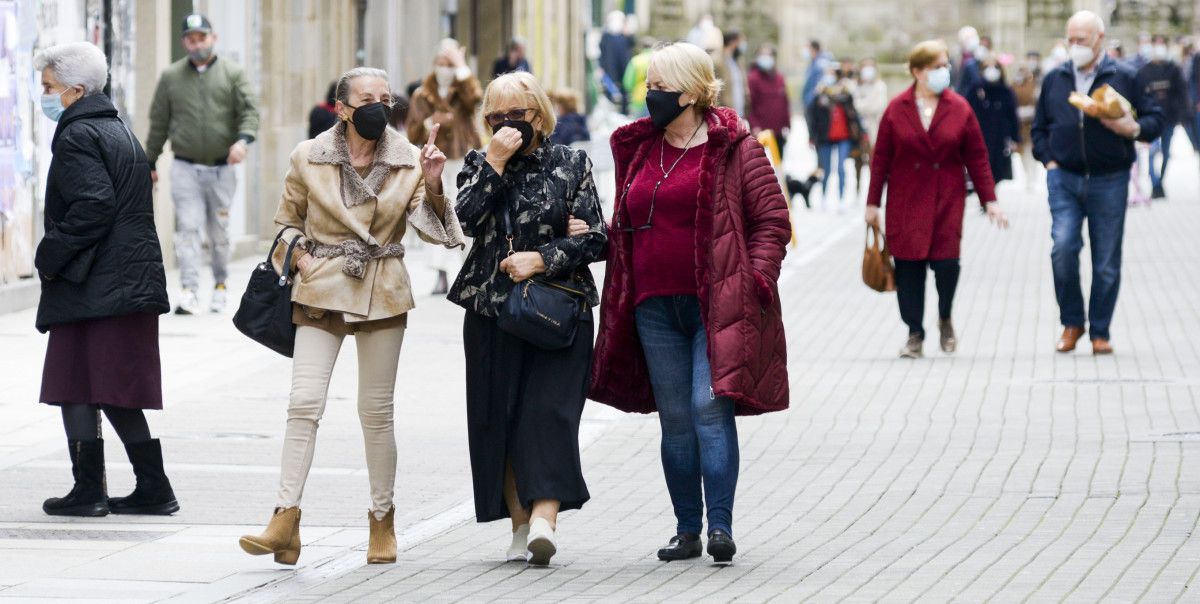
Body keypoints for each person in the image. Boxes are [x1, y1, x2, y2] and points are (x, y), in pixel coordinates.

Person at [238, 67, 465, 566]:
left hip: (381, 287)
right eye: (367, 99)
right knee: (303, 403)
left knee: (375, 413)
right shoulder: (308, 155)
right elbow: (284, 223)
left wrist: (432, 185)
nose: (378, 108)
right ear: (341, 108)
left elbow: (439, 234)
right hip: (321, 288)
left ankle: (381, 520)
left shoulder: (407, 159)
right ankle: (285, 518)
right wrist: (300, 258)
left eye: (386, 99)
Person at [590, 41, 792, 564]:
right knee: (676, 417)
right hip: (652, 305)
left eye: (660, 87)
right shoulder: (637, 147)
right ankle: (687, 530)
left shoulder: (735, 146)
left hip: (716, 303)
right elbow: (626, 221)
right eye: (649, 86)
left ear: (692, 91)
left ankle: (720, 527)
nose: (650, 96)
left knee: (708, 405)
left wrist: (756, 280)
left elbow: (772, 220)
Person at [450, 71, 607, 566]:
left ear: (538, 115)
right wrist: (493, 161)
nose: (505, 125)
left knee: (550, 415)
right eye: (495, 117)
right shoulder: (479, 164)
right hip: (492, 309)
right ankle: (520, 524)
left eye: (515, 115)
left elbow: (597, 237)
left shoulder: (571, 162)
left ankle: (545, 518)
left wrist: (541, 257)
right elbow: (469, 220)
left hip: (559, 309)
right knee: (501, 419)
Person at [33, 42, 177, 518]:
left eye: (50, 87)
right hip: (125, 282)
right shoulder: (117, 129)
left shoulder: (77, 136)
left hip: (94, 284)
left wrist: (50, 255)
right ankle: (153, 487)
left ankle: (88, 489)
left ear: (76, 90)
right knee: (114, 388)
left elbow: (93, 205)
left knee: (74, 383)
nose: (45, 95)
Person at [866, 39, 1009, 359]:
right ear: (917, 71)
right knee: (908, 269)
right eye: (937, 67)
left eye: (946, 65)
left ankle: (945, 316)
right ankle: (914, 332)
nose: (945, 71)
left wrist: (991, 200)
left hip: (947, 199)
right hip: (906, 201)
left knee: (947, 265)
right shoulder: (896, 109)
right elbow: (881, 160)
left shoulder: (959, 107)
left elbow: (977, 157)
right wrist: (872, 204)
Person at [1031, 11, 1163, 355]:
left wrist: (1131, 129)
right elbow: (1039, 127)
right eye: (1070, 39)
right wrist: (1049, 159)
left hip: (1110, 178)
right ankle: (1072, 322)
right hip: (1065, 177)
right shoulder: (1055, 78)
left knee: (1106, 259)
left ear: (1099, 39)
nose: (1074, 46)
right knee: (1063, 247)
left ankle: (1100, 330)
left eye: (1082, 40)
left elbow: (1154, 120)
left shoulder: (1125, 76)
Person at [146, 14, 260, 316]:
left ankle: (220, 286)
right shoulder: (171, 77)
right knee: (188, 229)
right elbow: (159, 122)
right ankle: (189, 290)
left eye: (202, 38)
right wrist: (150, 161)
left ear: (213, 37)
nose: (197, 45)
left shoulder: (232, 73)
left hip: (222, 168)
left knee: (219, 233)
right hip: (185, 168)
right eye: (191, 39)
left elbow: (250, 111)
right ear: (184, 41)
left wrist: (242, 141)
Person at [406, 39, 484, 295]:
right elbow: (412, 129)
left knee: (465, 211)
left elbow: (476, 97)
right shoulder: (422, 93)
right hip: (434, 162)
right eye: (441, 63)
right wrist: (431, 122)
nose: (444, 69)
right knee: (436, 212)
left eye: (449, 64)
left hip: (463, 158)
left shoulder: (463, 91)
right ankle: (440, 273)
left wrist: (462, 66)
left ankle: (467, 267)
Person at [1137, 35, 1188, 199]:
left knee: (1165, 153)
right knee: (1151, 152)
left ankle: (1160, 181)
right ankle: (1155, 183)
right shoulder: (1144, 71)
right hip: (1151, 119)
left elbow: (1182, 93)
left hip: (1169, 118)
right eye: (1156, 44)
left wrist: (1181, 114)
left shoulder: (1173, 69)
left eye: (1161, 44)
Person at [807, 65, 863, 211]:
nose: (829, 76)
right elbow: (812, 116)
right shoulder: (819, 96)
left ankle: (842, 198)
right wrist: (812, 136)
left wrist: (860, 135)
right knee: (825, 169)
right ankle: (824, 198)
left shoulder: (846, 95)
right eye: (827, 73)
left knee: (840, 168)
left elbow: (854, 116)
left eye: (832, 73)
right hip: (825, 138)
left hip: (844, 137)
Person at [966, 58, 1020, 184]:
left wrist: (1015, 138)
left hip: (1000, 138)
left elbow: (1013, 116)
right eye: (987, 67)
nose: (991, 70)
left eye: (995, 67)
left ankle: (990, 196)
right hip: (979, 136)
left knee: (997, 171)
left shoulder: (1006, 91)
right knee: (980, 169)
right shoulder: (975, 89)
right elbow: (966, 113)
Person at [747, 43, 791, 150]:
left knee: (778, 164)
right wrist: (754, 125)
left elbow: (785, 102)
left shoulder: (780, 77)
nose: (766, 58)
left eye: (769, 55)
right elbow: (749, 105)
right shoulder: (752, 78)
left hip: (778, 131)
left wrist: (787, 124)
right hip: (760, 132)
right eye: (763, 55)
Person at [1013, 52, 1043, 190]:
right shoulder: (1014, 83)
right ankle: (1027, 176)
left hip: (1033, 120)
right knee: (1023, 151)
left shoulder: (1036, 81)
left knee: (1032, 150)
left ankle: (1032, 177)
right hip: (1020, 122)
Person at [599, 10, 634, 113]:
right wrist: (601, 66)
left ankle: (623, 110)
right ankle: (612, 112)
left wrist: (627, 32)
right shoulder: (606, 36)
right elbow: (602, 52)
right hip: (610, 67)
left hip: (623, 66)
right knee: (611, 90)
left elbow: (632, 43)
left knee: (624, 91)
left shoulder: (625, 36)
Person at [715, 31, 747, 116]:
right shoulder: (718, 62)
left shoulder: (738, 62)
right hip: (725, 114)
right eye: (741, 42)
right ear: (732, 42)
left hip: (739, 113)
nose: (743, 45)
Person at [623, 38, 655, 117]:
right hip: (655, 98)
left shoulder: (635, 61)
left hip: (638, 99)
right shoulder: (659, 59)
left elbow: (627, 83)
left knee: (638, 126)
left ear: (642, 47)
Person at [802, 39, 833, 107]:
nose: (804, 50)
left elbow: (826, 82)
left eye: (807, 47)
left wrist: (814, 98)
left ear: (813, 49)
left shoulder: (822, 62)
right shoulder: (814, 62)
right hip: (811, 101)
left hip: (817, 103)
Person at [955, 26, 985, 94]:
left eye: (973, 36)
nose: (972, 40)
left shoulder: (982, 56)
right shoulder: (958, 59)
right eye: (968, 38)